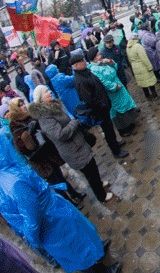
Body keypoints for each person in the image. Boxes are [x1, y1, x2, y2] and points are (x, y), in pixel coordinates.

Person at [0, 129, 120, 272]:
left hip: (53, 217)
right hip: (52, 223)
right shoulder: (13, 182)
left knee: (80, 237)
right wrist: (32, 238)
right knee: (77, 249)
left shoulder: (7, 173)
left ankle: (96, 250)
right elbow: (32, 215)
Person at [28, 85, 114, 203]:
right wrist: (74, 123)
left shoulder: (52, 107)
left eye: (48, 90)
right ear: (41, 99)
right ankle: (101, 196)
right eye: (46, 92)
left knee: (93, 168)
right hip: (72, 151)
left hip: (78, 144)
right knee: (90, 173)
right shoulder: (44, 118)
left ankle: (98, 183)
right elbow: (60, 135)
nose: (50, 92)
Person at [8, 97, 85, 208]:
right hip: (41, 161)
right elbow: (21, 149)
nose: (24, 106)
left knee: (61, 177)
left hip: (48, 154)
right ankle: (69, 203)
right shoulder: (15, 126)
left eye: (23, 103)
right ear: (15, 110)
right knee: (57, 184)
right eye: (20, 106)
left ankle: (75, 194)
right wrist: (28, 134)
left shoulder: (30, 116)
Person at [71, 53, 129, 158]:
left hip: (104, 106)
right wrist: (102, 106)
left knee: (110, 129)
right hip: (100, 110)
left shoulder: (86, 72)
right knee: (108, 131)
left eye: (83, 60)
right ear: (75, 65)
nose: (84, 62)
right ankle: (116, 151)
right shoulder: (80, 80)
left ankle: (115, 143)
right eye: (81, 61)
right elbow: (89, 100)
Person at [86, 47, 138, 136]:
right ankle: (122, 129)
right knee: (117, 111)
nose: (100, 55)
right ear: (94, 58)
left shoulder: (102, 63)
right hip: (112, 92)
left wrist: (111, 62)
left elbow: (114, 69)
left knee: (124, 105)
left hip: (119, 87)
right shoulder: (94, 69)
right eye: (98, 54)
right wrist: (114, 86)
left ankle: (128, 124)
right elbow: (103, 82)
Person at [126, 32, 158, 101]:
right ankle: (155, 95)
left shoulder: (128, 47)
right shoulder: (138, 46)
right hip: (143, 66)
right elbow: (144, 58)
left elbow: (129, 59)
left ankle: (147, 96)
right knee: (149, 81)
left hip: (135, 67)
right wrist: (149, 67)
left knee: (143, 83)